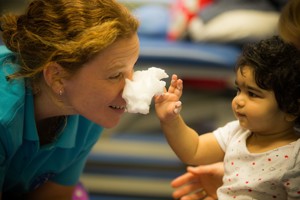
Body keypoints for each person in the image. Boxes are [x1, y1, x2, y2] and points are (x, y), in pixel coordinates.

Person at [0, 0, 139, 199]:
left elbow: (55, 195)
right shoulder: (3, 117)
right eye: (115, 75)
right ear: (57, 77)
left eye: (132, 68)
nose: (131, 90)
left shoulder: (90, 110)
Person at [169, 0, 300, 199]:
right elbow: (193, 149)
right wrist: (170, 118)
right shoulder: (238, 132)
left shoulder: (295, 159)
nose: (238, 100)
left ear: (291, 108)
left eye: (253, 94)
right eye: (238, 90)